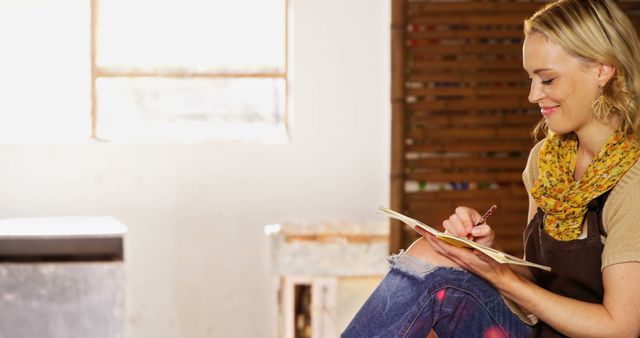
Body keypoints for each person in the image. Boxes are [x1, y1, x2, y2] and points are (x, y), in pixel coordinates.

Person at [342, 0, 640, 337]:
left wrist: (502, 277)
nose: (532, 95)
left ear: (602, 69)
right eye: (531, 79)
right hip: (542, 329)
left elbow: (622, 328)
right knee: (431, 252)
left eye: (547, 79)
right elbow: (544, 281)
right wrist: (485, 254)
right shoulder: (547, 159)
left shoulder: (633, 180)